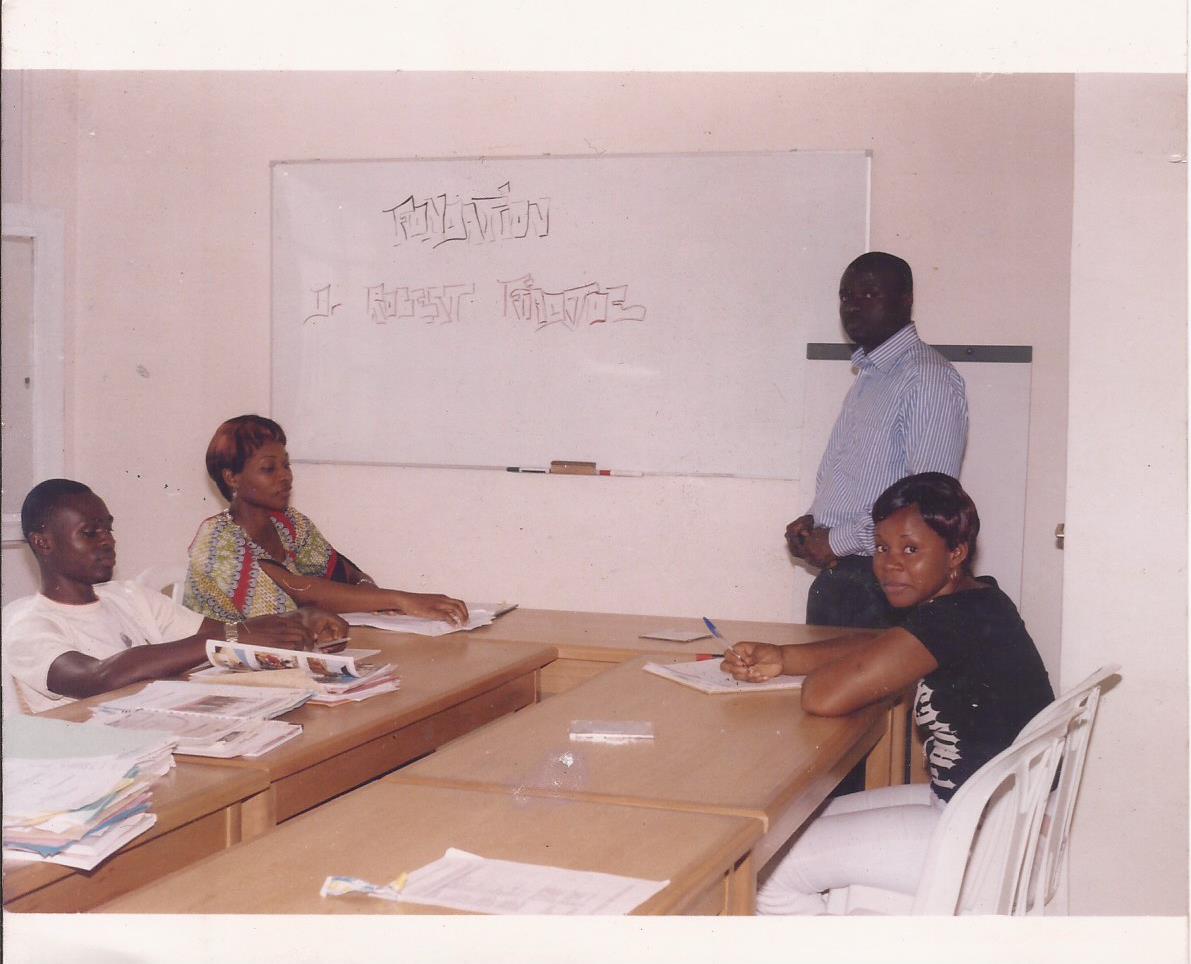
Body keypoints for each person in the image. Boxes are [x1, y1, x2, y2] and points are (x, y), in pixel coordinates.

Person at [726, 472, 1053, 914]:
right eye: (882, 548)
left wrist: (820, 674)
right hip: (999, 811)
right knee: (789, 829)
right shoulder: (978, 600)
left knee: (765, 871)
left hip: (985, 834)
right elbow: (888, 646)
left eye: (911, 549)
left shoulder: (949, 620)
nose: (890, 563)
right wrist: (784, 656)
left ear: (955, 552)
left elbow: (823, 697)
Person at [3, 479, 349, 715]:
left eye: (108, 528)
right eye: (89, 533)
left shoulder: (129, 597)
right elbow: (98, 678)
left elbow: (226, 634)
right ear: (43, 543)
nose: (107, 541)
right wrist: (231, 636)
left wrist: (300, 621)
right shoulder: (27, 625)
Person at [787, 251, 968, 630]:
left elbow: (928, 506)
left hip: (885, 582)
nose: (853, 306)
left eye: (869, 295)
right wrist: (814, 524)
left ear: (906, 300)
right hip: (844, 579)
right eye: (846, 296)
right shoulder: (871, 376)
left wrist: (838, 540)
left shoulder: (925, 377)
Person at [184, 414, 468, 625]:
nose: (285, 476)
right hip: (214, 669)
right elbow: (300, 591)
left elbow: (345, 575)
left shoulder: (289, 524)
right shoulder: (216, 542)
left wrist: (374, 599)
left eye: (286, 464)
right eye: (269, 469)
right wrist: (399, 599)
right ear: (232, 477)